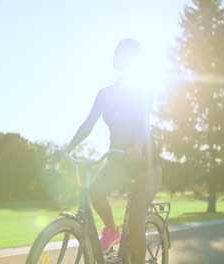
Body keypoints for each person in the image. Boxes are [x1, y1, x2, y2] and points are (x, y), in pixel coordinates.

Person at [64, 38, 162, 263]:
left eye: (125, 55)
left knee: (136, 224)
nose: (119, 58)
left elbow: (142, 124)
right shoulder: (105, 94)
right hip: (118, 160)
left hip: (145, 163)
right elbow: (88, 124)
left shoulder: (144, 92)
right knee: (94, 192)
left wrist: (137, 147)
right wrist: (66, 148)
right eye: (117, 53)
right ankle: (112, 230)